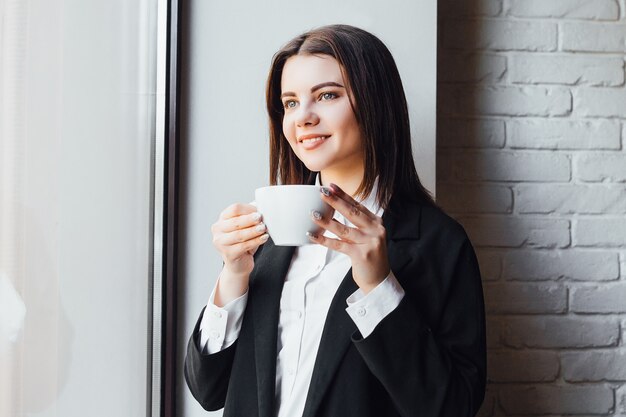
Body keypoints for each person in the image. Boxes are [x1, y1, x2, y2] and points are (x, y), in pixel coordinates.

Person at [185, 24, 486, 417]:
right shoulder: (267, 236)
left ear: (375, 103)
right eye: (290, 102)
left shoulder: (438, 243)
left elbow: (452, 408)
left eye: (326, 95)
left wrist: (378, 287)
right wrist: (233, 276)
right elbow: (208, 389)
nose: (302, 118)